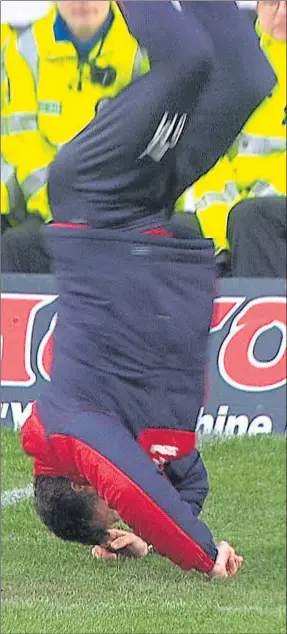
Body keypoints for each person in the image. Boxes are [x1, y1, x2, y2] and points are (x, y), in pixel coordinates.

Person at [22, 1, 275, 577]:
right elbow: (183, 476)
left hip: (94, 193)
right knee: (247, 78)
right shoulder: (128, 427)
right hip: (143, 205)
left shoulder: (73, 432)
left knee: (184, 62)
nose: (125, 498)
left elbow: (144, 496)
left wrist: (202, 555)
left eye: (112, 507)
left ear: (85, 481)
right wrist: (145, 541)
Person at [1, 0, 149, 271]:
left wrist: (107, 210)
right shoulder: (23, 48)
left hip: (121, 212)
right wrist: (62, 207)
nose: (82, 2)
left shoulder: (143, 47)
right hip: (50, 209)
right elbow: (21, 144)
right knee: (14, 246)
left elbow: (148, 147)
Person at [176, 0, 286, 278]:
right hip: (232, 211)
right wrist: (219, 235)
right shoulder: (228, 58)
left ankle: (261, 319)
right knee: (168, 230)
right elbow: (205, 155)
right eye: (274, 2)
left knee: (252, 220)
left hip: (268, 209)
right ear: (259, 5)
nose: (282, 12)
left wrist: (244, 210)